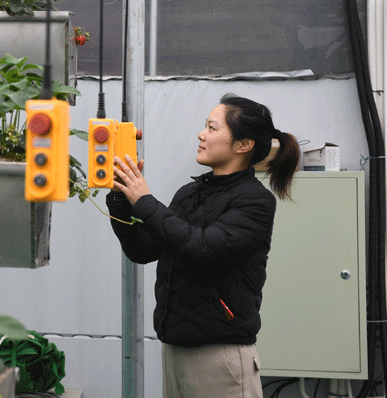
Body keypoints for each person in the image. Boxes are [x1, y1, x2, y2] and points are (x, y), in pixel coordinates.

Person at [106, 94, 301, 398]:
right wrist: (121, 199)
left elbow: (202, 249)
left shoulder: (255, 201)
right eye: (205, 127)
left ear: (243, 145)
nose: (201, 134)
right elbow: (144, 251)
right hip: (175, 350)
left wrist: (144, 201)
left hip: (219, 357)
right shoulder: (189, 193)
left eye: (212, 128)